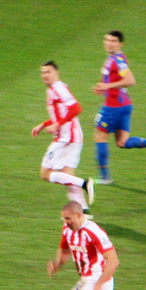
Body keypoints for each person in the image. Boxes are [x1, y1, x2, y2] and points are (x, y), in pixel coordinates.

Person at [93, 30, 146, 185]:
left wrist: (107, 85)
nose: (109, 43)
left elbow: (130, 80)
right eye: (107, 40)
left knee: (100, 136)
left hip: (113, 107)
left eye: (113, 41)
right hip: (125, 105)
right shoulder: (115, 59)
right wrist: (104, 88)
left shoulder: (117, 60)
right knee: (122, 142)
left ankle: (104, 177)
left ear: (120, 44)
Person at [32, 61, 94, 215]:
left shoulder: (59, 88)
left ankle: (85, 184)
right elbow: (61, 114)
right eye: (43, 72)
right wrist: (43, 124)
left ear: (56, 73)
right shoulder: (53, 89)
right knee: (67, 176)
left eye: (48, 72)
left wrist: (57, 125)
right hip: (72, 137)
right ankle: (84, 212)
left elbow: (76, 108)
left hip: (66, 139)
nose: (45, 75)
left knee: (45, 174)